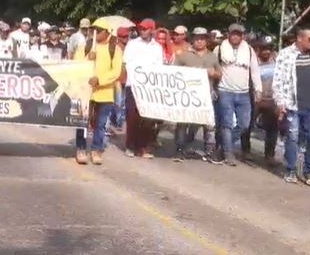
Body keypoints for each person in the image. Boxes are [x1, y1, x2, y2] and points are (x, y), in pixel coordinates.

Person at [273, 27, 310, 186]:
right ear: (299, 39)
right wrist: (280, 102)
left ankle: (308, 171)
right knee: (293, 137)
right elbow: (278, 80)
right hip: (293, 104)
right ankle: (290, 170)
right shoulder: (286, 54)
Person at [213, 23, 261, 166]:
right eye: (233, 33)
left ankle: (223, 147)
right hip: (225, 91)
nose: (235, 36)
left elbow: (255, 71)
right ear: (228, 34)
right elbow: (213, 67)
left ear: (242, 35)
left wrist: (258, 90)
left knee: (244, 124)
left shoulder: (249, 50)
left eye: (238, 34)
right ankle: (228, 154)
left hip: (244, 93)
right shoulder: (219, 48)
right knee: (226, 124)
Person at [173, 27, 221, 162]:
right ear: (193, 39)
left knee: (209, 124)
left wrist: (213, 73)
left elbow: (220, 73)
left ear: (206, 40)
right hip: (187, 94)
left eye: (202, 38)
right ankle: (180, 149)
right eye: (197, 38)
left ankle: (209, 151)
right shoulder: (183, 55)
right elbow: (173, 72)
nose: (199, 41)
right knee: (183, 122)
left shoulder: (212, 56)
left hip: (206, 95)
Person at [122, 19, 164, 159]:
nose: (142, 31)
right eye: (141, 28)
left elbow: (159, 67)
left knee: (147, 118)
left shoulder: (157, 47)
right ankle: (130, 146)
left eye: (145, 29)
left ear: (152, 30)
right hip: (133, 85)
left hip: (149, 87)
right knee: (132, 117)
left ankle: (143, 147)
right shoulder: (132, 44)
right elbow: (126, 63)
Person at [82, 22, 123, 165]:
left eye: (99, 30)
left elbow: (116, 72)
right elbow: (76, 64)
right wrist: (88, 58)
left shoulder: (115, 49)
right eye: (94, 30)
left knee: (100, 124)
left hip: (105, 93)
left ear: (107, 32)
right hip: (86, 92)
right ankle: (81, 149)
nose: (96, 33)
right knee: (82, 122)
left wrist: (99, 80)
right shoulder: (86, 46)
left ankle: (96, 149)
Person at [243, 36, 280, 166]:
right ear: (258, 48)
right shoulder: (252, 60)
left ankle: (269, 155)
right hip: (255, 99)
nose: (267, 51)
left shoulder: (277, 59)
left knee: (273, 128)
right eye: (264, 48)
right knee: (247, 125)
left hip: (272, 99)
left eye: (269, 48)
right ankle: (246, 151)